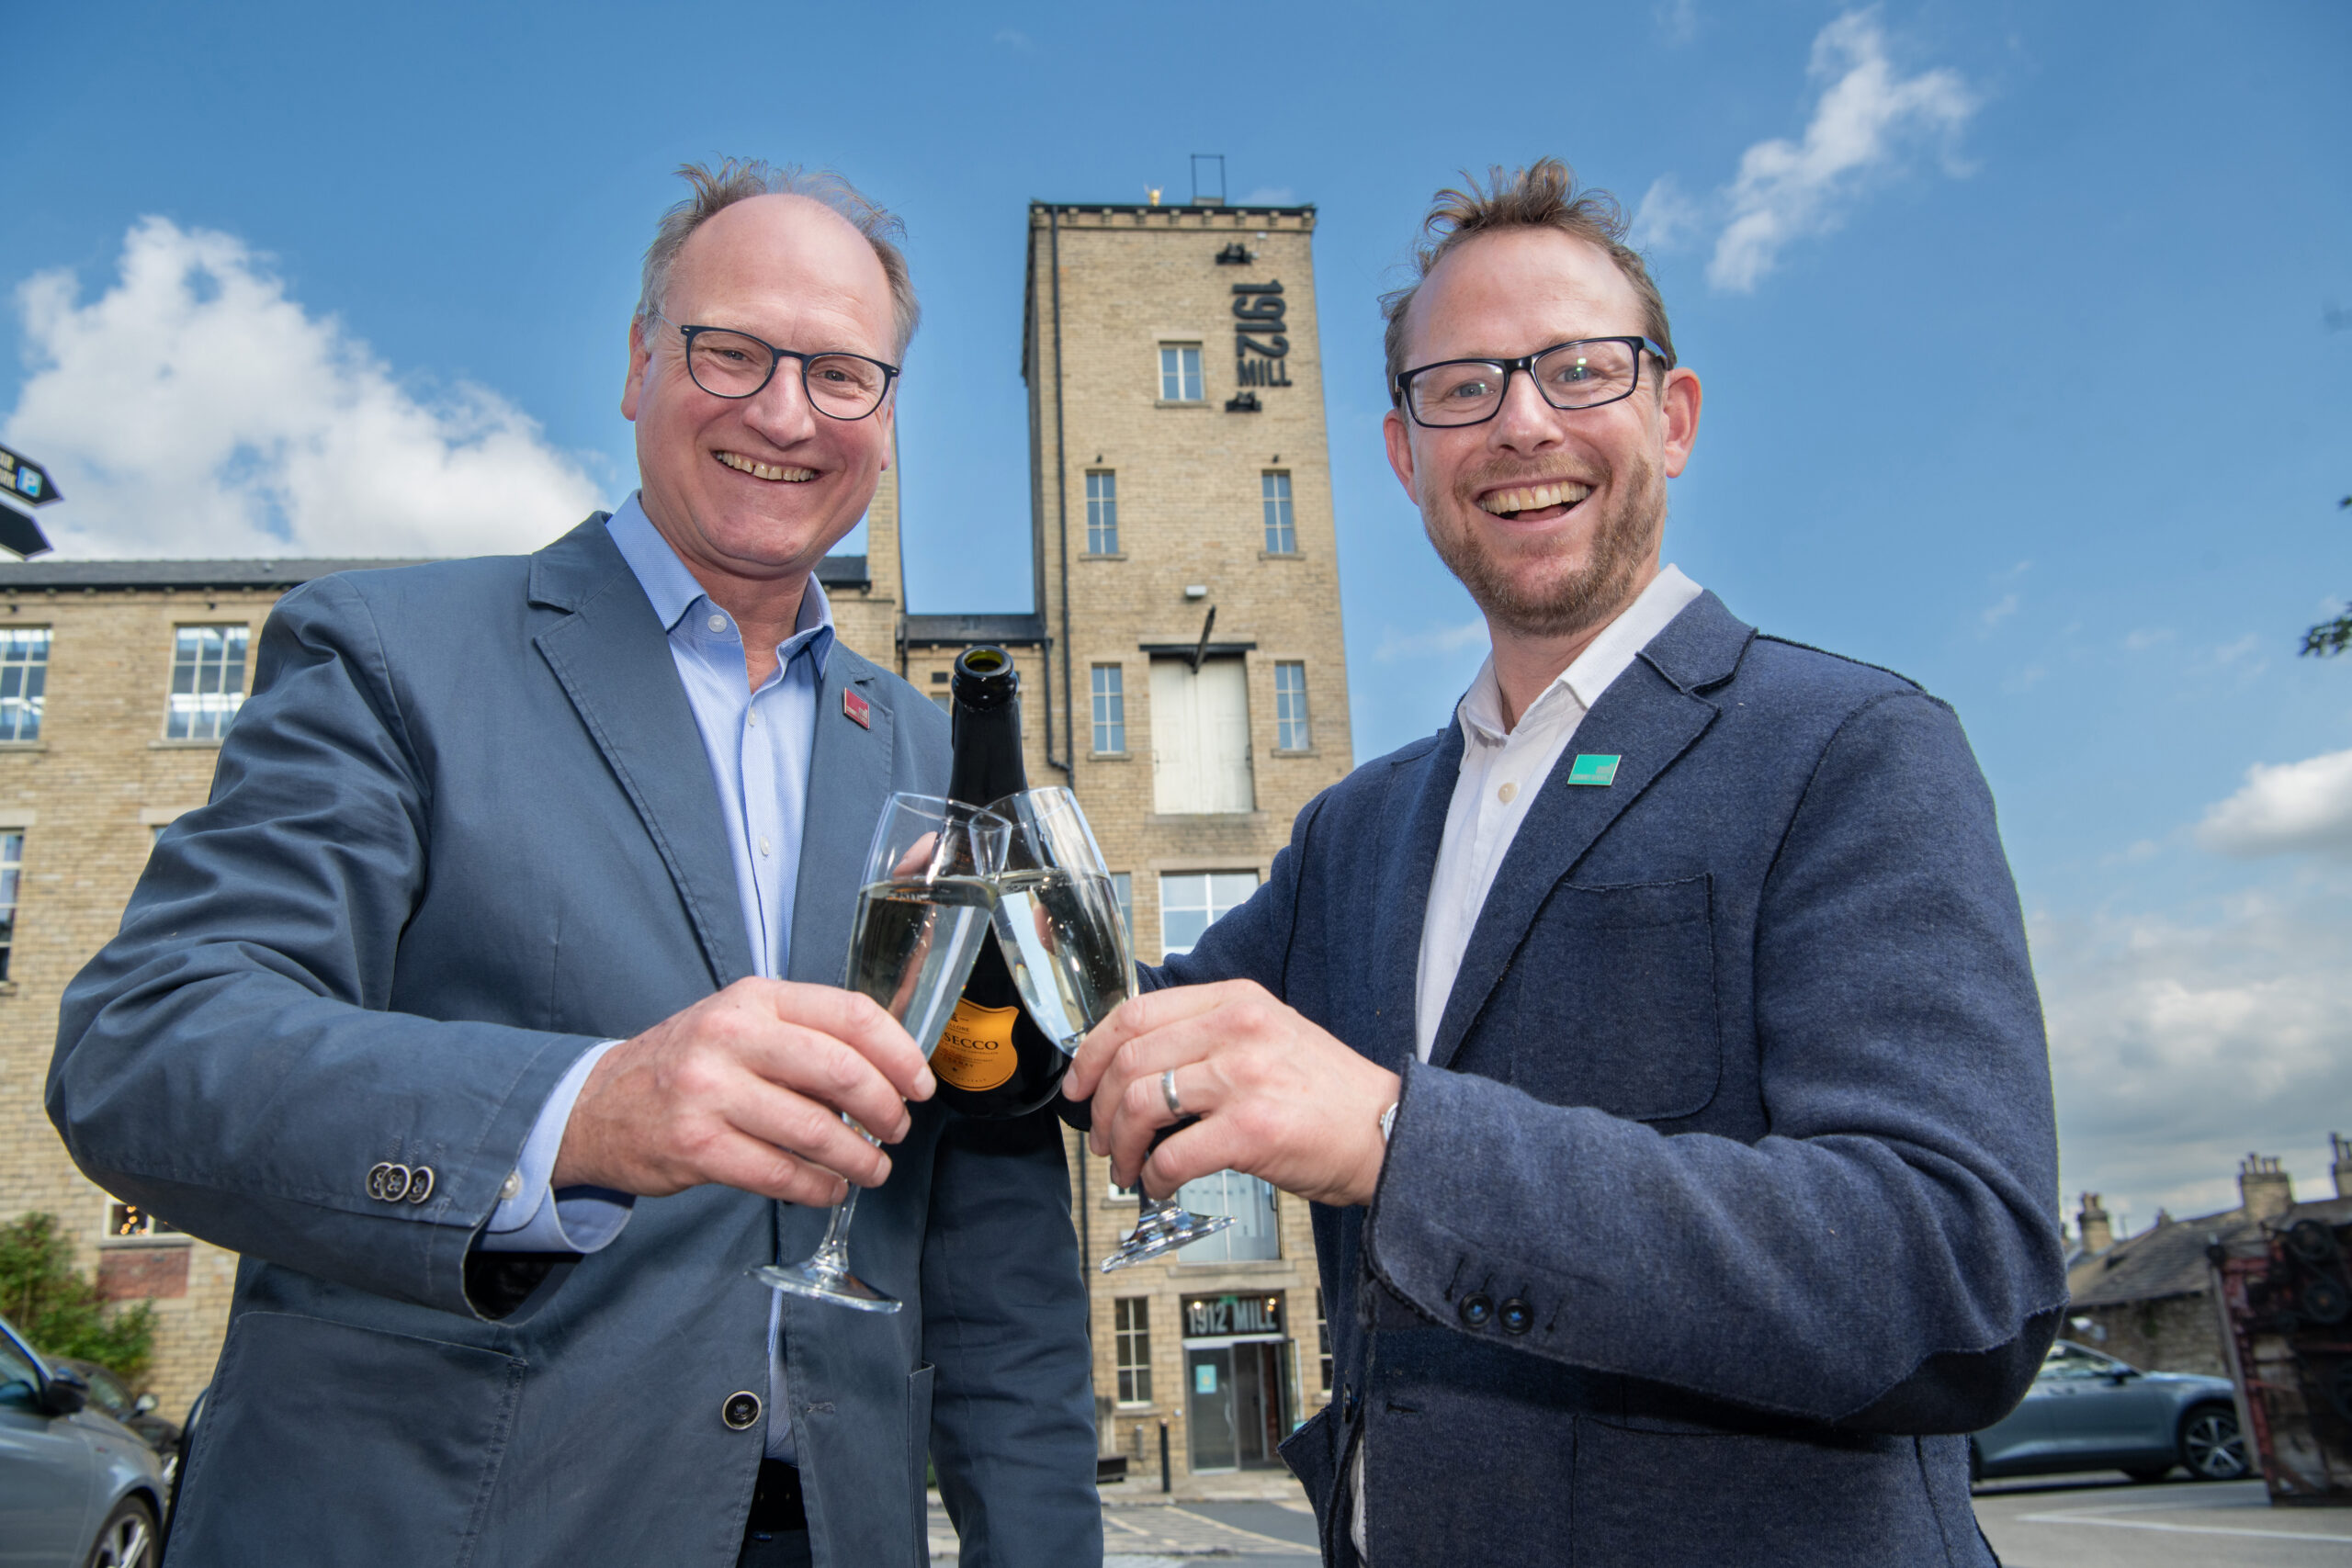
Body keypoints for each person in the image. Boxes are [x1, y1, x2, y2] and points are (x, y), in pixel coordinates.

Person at [51, 161, 1101, 1568]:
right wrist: (581, 1114)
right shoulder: (389, 657)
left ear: (888, 415)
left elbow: (996, 1250)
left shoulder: (941, 772)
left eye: (844, 375)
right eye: (733, 352)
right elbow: (148, 1045)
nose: (786, 412)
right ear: (637, 362)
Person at [1067, 158, 2063, 1567]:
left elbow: (1957, 1280)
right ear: (1408, 456)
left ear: (1675, 415)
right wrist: (966, 914)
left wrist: (1400, 1143)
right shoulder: (1359, 828)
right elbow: (1115, 1041)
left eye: (1579, 371)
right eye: (1463, 385)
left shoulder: (1852, 748)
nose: (1522, 422)